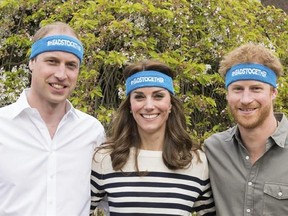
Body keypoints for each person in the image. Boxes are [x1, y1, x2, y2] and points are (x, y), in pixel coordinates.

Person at [0, 22, 105, 216]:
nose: (61, 74)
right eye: (52, 61)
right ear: (32, 62)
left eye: (71, 65)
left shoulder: (92, 131)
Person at [90, 59, 216, 216]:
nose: (149, 106)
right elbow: (77, 210)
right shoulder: (106, 159)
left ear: (170, 105)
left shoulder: (196, 161)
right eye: (139, 97)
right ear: (130, 105)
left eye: (158, 96)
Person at [204, 43, 287, 215]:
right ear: (227, 94)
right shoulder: (213, 150)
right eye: (237, 89)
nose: (246, 99)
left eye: (256, 89)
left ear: (273, 93)